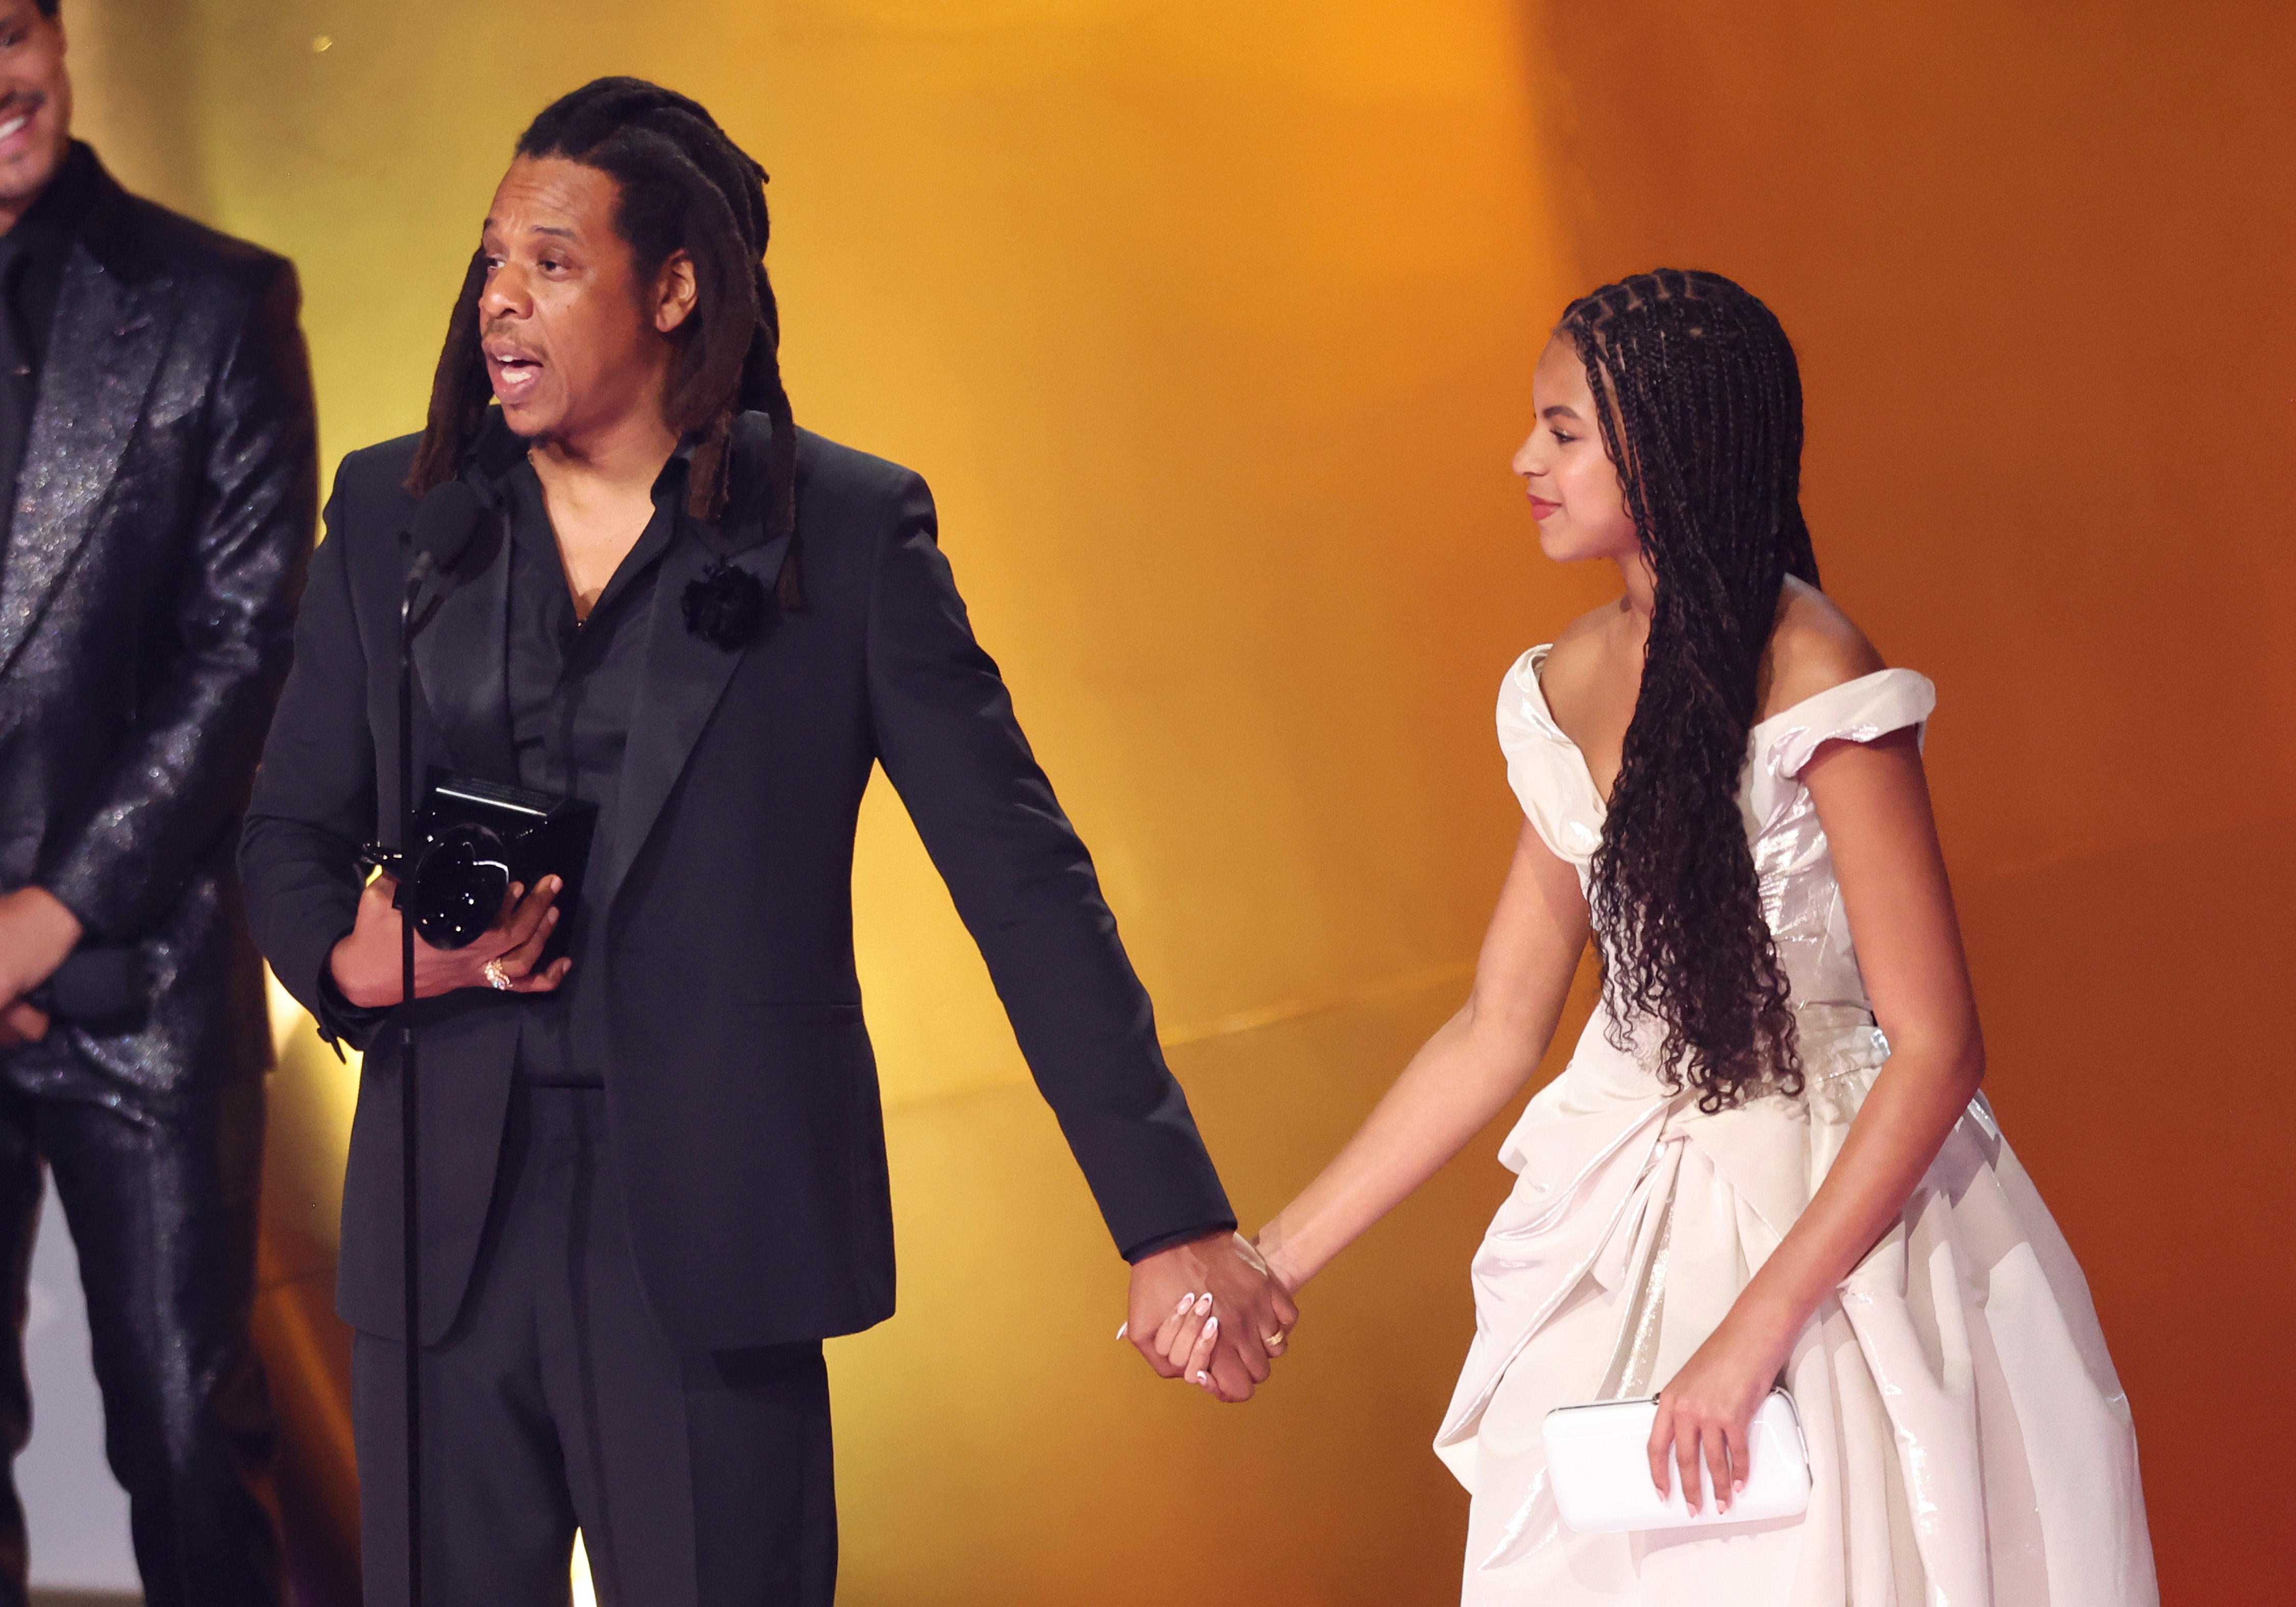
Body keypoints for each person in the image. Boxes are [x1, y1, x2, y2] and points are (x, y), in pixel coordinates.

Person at [238, 77, 1291, 1606]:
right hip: (440, 1238)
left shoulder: (846, 536)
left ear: (673, 288)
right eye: (488, 262)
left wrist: (1171, 1217)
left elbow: (1025, 886)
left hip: (709, 1242)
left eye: (548, 261)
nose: (498, 302)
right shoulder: (396, 519)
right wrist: (357, 957)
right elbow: (285, 827)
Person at [1146, 269, 2158, 1602]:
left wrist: (1752, 1336)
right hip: (1625, 1208)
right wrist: (1271, 1262)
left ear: (1667, 445)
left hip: (1829, 1222)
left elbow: (1934, 1045)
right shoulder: (1563, 678)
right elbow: (1494, 1027)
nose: (1525, 460)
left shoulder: (1816, 675)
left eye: (1562, 432)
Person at [0, 2, 316, 1602]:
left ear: (58, 38)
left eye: (8, 29)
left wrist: (48, 919)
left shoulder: (215, 303)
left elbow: (244, 645)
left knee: (192, 1435)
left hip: (148, 971)